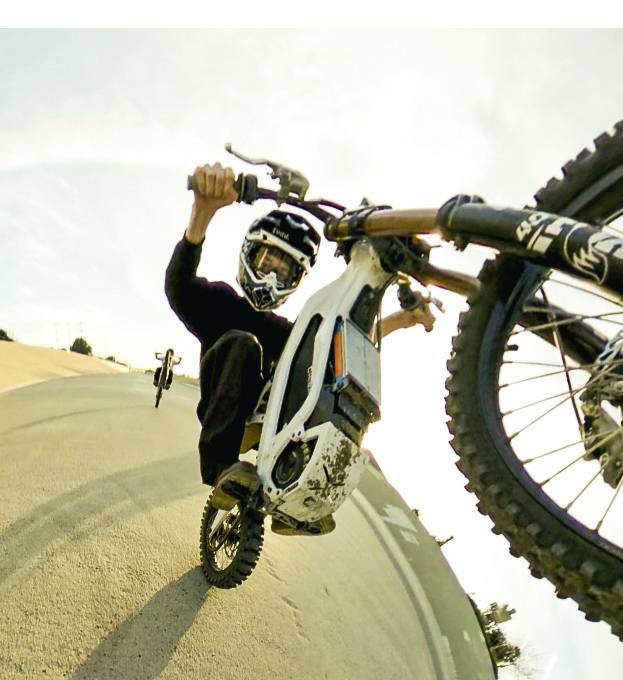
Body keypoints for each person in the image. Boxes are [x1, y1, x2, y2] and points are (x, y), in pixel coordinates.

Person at [166, 162, 438, 530]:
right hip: (226, 406)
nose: (271, 277)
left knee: (320, 362)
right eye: (266, 263)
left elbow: (327, 343)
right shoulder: (220, 301)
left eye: (283, 272)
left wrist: (400, 321)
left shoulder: (285, 331)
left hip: (274, 416)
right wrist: (203, 212)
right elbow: (179, 286)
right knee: (242, 344)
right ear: (249, 257)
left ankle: (303, 486)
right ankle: (221, 468)